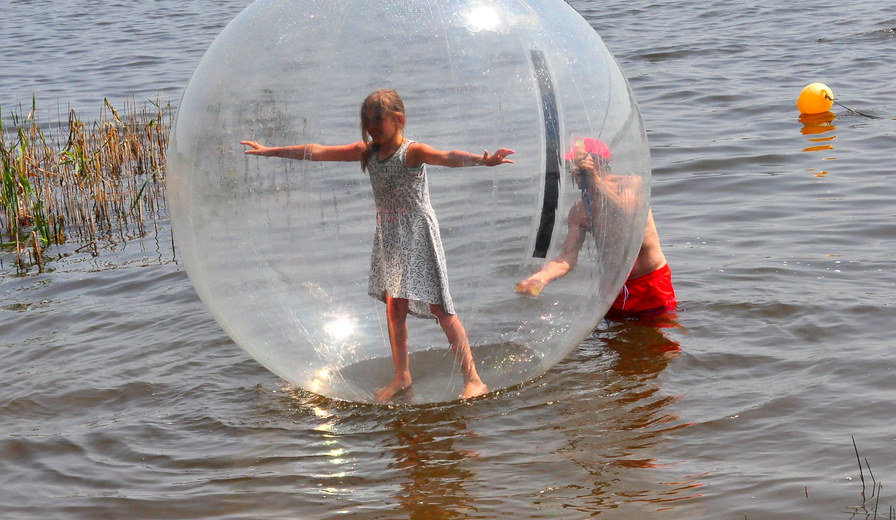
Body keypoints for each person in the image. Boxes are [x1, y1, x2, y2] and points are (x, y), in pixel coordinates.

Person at [241, 88, 515, 402]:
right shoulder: (367, 152)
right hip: (390, 236)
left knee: (441, 307)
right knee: (394, 308)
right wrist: (269, 151)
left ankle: (474, 379)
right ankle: (402, 376)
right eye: (367, 121)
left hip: (418, 233)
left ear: (398, 119)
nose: (371, 127)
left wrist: (484, 161)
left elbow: (448, 158)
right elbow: (318, 151)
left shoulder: (412, 152)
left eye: (377, 120)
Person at [515, 137, 676, 320]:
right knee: (614, 345)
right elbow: (567, 256)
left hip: (648, 283)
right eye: (570, 165)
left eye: (577, 165)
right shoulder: (579, 210)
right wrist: (541, 278)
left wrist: (596, 180)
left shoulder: (630, 184)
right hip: (611, 289)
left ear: (600, 163)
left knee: (659, 343)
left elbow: (628, 210)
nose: (573, 170)